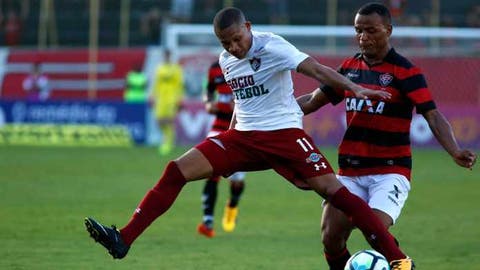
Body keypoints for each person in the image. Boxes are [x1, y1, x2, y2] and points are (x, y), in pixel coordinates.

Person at [84, 7, 414, 269]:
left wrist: (354, 87)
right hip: (242, 138)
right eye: (225, 43)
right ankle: (123, 239)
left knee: (335, 193)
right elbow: (242, 105)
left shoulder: (272, 45)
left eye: (237, 39)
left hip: (285, 134)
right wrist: (225, 143)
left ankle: (399, 262)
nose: (233, 47)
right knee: (176, 169)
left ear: (249, 27)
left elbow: (316, 70)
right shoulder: (228, 62)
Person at [296, 3, 477, 270]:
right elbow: (313, 100)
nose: (363, 37)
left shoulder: (406, 72)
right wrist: (271, 110)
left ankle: (404, 266)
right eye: (358, 30)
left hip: (389, 171)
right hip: (350, 171)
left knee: (376, 233)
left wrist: (454, 150)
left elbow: (432, 115)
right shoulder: (349, 68)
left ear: (388, 30)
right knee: (331, 239)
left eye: (371, 30)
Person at [197, 60, 246, 238]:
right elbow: (208, 90)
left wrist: (241, 107)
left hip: (240, 129)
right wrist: (208, 103)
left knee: (237, 182)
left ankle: (232, 204)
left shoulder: (247, 63)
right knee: (211, 170)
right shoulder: (214, 68)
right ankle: (207, 221)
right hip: (218, 126)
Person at [151, 49, 184, 155]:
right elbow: (156, 83)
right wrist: (153, 95)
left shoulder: (176, 69)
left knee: (168, 120)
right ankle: (168, 139)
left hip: (172, 98)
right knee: (159, 120)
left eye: (168, 55)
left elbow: (179, 85)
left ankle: (167, 143)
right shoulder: (160, 68)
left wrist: (179, 99)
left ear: (170, 56)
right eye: (165, 55)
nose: (166, 57)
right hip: (161, 98)